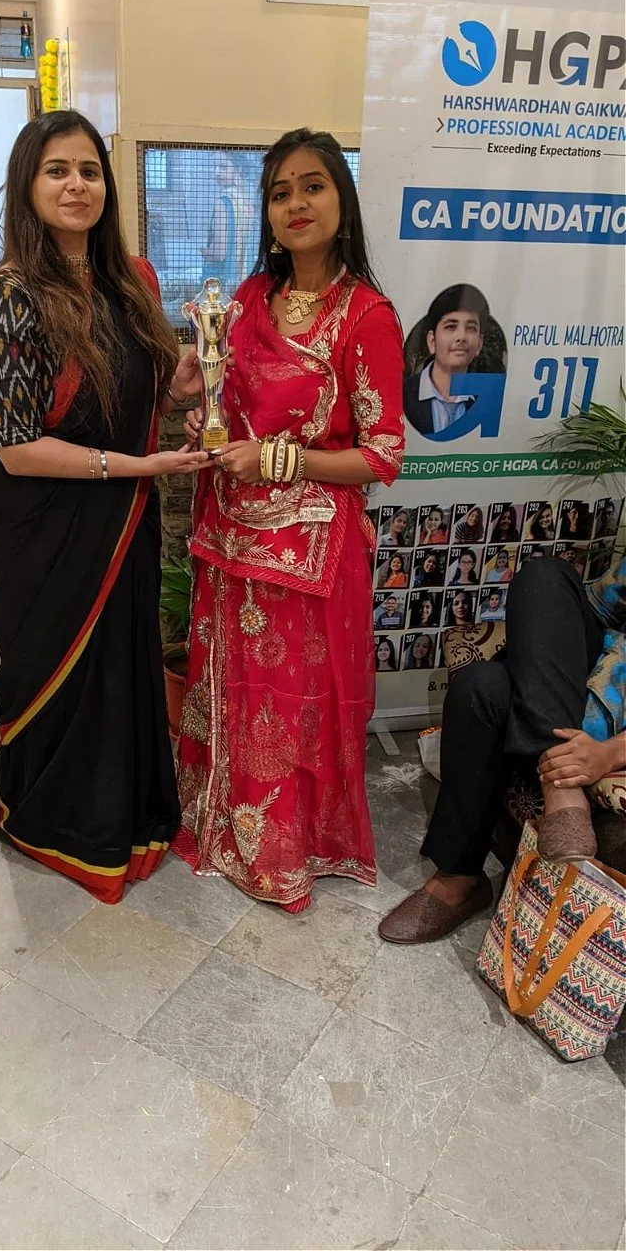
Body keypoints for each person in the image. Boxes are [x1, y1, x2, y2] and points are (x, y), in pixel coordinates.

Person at [0, 111, 209, 903]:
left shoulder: (127, 284)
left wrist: (176, 391)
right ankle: (53, 820)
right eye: (57, 170)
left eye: (89, 170)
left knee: (117, 670)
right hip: (41, 530)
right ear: (27, 185)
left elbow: (128, 398)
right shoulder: (6, 296)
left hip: (120, 521)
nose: (77, 185)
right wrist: (140, 465)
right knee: (57, 675)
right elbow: (17, 447)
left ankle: (122, 816)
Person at [176, 126, 405, 912]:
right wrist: (203, 419)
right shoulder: (246, 299)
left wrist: (279, 460)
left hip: (306, 554)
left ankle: (283, 850)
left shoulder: (366, 316)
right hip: (230, 534)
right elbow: (227, 406)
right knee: (231, 693)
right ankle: (219, 824)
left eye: (313, 186)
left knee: (285, 709)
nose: (296, 204)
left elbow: (382, 455)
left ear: (342, 199)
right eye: (280, 192)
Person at [377, 556, 626, 943]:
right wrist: (543, 642)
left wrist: (610, 753)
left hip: (612, 731)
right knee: (544, 575)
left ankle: (458, 880)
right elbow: (598, 607)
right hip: (587, 683)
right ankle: (560, 785)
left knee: (480, 687)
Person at [403, 284, 489, 436]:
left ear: (479, 344)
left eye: (471, 328)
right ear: (432, 341)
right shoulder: (401, 395)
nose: (461, 337)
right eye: (451, 327)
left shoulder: (488, 400)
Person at [201, 153, 254, 288]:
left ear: (238, 169)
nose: (217, 172)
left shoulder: (222, 202)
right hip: (244, 281)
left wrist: (203, 251)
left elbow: (219, 253)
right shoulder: (247, 203)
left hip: (220, 284)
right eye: (215, 167)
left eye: (223, 167)